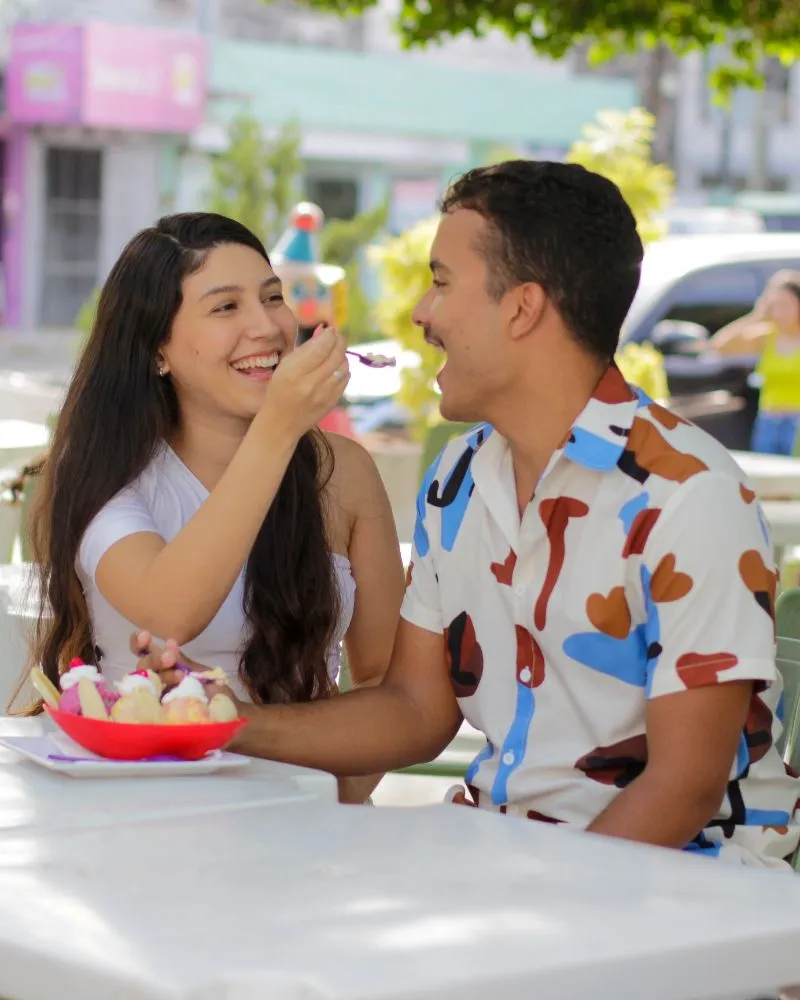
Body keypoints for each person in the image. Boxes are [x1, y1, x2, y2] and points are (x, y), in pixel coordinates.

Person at [138, 165, 799, 868]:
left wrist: (530, 936)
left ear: (521, 308)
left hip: (686, 895)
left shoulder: (688, 492)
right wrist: (225, 722)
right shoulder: (459, 476)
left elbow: (685, 787)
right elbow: (416, 713)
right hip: (502, 861)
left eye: (442, 281)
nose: (422, 313)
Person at [24, 212, 404, 802]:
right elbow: (168, 612)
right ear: (157, 352)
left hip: (306, 830)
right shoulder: (103, 474)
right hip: (128, 816)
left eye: (272, 297)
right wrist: (277, 429)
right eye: (226, 307)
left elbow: (388, 687)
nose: (267, 326)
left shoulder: (344, 473)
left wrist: (327, 801)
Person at [709, 271, 800, 455]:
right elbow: (720, 345)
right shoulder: (766, 336)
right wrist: (756, 316)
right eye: (775, 305)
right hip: (769, 422)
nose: (780, 311)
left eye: (786, 304)